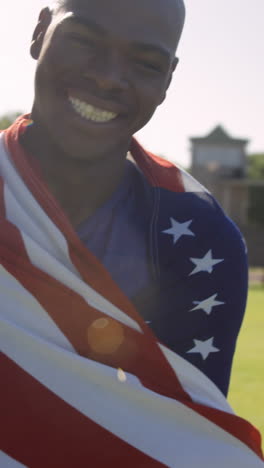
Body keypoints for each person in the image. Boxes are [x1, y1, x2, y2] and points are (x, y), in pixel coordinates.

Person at [0, 0, 263, 466]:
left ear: (167, 79)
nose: (107, 77)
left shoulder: (200, 238)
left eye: (144, 63)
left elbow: (181, 436)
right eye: (84, 40)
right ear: (40, 31)